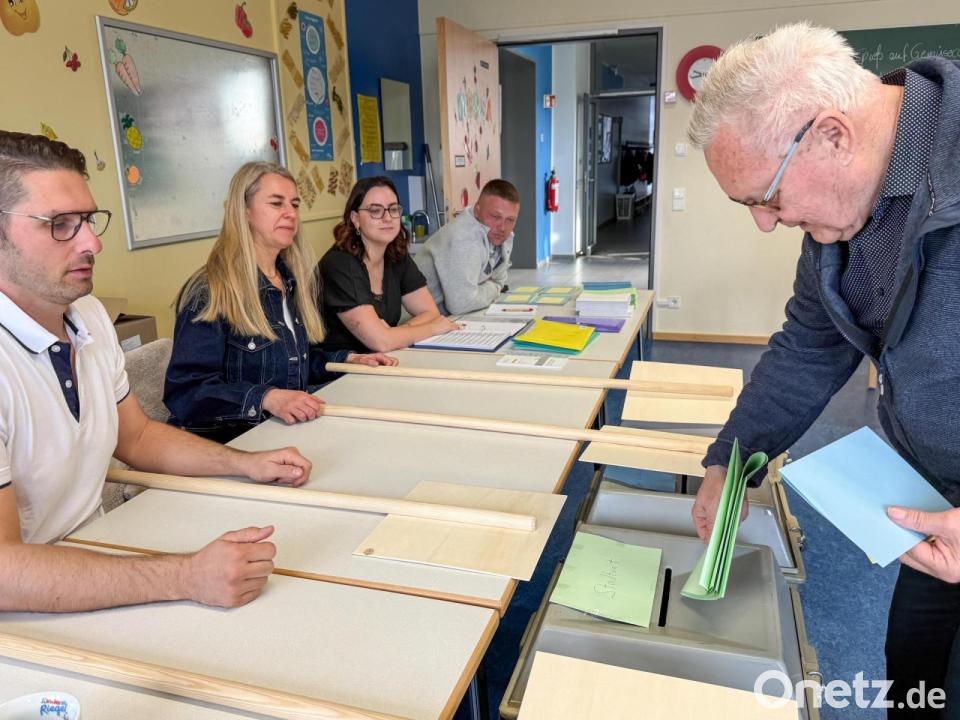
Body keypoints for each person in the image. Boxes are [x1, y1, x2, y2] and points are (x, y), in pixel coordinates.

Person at [686, 22, 960, 715]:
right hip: (935, 504)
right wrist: (731, 458)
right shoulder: (842, 217)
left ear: (832, 136)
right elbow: (809, 346)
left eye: (766, 198)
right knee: (916, 682)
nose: (765, 223)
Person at [0, 132, 319, 613]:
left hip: (95, 555)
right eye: (60, 224)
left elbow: (139, 437)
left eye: (89, 220)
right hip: (26, 610)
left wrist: (245, 463)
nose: (93, 243)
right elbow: (6, 573)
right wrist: (186, 575)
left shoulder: (88, 317)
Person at [164, 162, 396, 443]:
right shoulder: (211, 291)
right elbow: (187, 392)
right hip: (230, 444)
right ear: (244, 211)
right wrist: (267, 398)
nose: (291, 213)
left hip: (282, 433)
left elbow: (290, 363)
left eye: (295, 204)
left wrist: (347, 360)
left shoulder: (290, 280)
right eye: (276, 203)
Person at [318, 176, 458, 353]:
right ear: (355, 218)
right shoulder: (340, 264)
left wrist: (394, 334)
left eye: (393, 209)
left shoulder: (395, 255)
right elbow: (382, 342)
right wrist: (433, 329)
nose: (387, 218)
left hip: (381, 359)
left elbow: (430, 313)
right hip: (338, 366)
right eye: (375, 211)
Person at [414, 179, 519, 314]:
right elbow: (462, 304)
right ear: (477, 210)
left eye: (510, 220)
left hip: (441, 316)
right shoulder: (463, 236)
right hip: (411, 319)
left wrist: (488, 288)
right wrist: (494, 288)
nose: (503, 227)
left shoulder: (499, 235)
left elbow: (499, 280)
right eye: (495, 216)